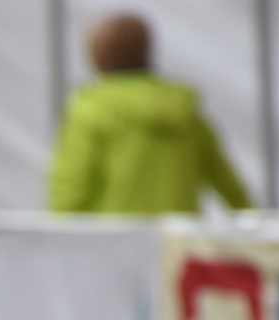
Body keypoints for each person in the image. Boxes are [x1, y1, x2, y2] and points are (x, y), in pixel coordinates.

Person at [48, 12, 253, 215]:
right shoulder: (187, 112)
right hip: (177, 234)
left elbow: (71, 186)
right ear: (146, 50)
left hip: (115, 234)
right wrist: (252, 219)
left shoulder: (91, 110)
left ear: (95, 56)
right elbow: (225, 179)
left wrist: (60, 232)